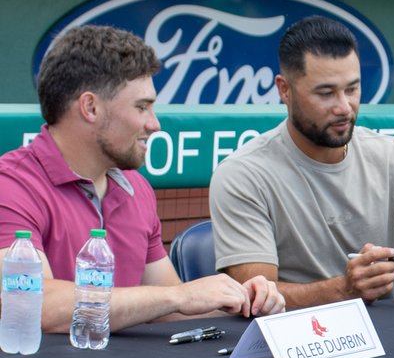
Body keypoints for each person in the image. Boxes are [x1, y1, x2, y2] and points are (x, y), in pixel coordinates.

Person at [0, 25, 284, 332]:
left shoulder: (137, 187)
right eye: (142, 107)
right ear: (90, 107)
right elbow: (32, 306)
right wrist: (178, 296)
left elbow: (165, 307)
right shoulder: (11, 186)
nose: (155, 124)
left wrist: (242, 300)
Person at [208, 16, 394, 308]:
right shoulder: (242, 174)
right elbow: (257, 295)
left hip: (382, 339)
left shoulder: (390, 156)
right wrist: (343, 291)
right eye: (326, 93)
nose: (343, 107)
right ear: (284, 90)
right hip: (287, 346)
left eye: (352, 89)